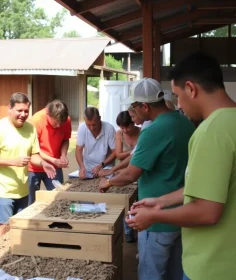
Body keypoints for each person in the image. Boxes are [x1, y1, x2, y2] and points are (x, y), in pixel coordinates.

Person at [128, 52, 236, 280]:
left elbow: (208, 211)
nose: (178, 104)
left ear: (191, 88)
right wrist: (160, 202)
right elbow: (209, 190)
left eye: (177, 96)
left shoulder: (211, 132)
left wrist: (155, 216)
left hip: (210, 266)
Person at [99, 78, 195, 280]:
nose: (132, 112)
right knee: (175, 272)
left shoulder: (153, 131)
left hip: (156, 220)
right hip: (182, 214)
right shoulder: (187, 123)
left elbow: (132, 173)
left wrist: (108, 182)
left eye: (134, 107)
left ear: (145, 106)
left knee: (151, 274)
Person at [0, 92, 56, 242]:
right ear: (9, 108)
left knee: (18, 227)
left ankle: (11, 259)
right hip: (1, 189)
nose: (23, 114)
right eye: (19, 110)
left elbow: (34, 155)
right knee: (3, 226)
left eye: (26, 111)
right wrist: (13, 161)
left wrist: (43, 163)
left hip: (21, 189)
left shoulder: (30, 129)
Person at [28, 100, 72, 204]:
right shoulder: (36, 120)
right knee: (30, 203)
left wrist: (63, 155)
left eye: (61, 123)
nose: (58, 126)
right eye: (56, 122)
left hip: (54, 167)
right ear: (48, 113)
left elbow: (65, 139)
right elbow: (34, 149)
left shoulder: (66, 120)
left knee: (58, 199)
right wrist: (53, 160)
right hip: (34, 167)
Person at [76, 107, 116, 179]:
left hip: (106, 168)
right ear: (84, 120)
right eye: (88, 125)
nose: (92, 128)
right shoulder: (82, 128)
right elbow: (78, 150)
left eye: (94, 124)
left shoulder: (109, 129)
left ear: (99, 118)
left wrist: (101, 165)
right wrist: (81, 167)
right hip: (87, 169)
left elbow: (115, 152)